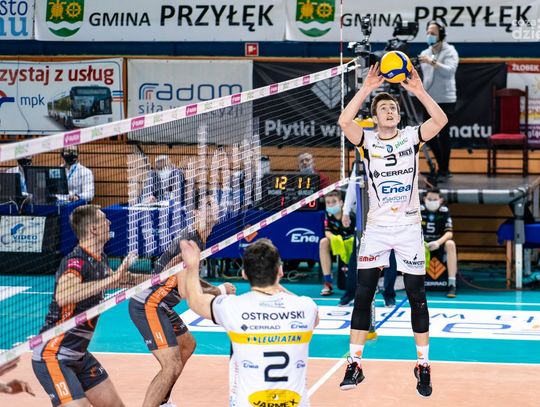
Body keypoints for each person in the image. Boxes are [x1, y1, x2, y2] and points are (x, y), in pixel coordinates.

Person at [337, 62, 448, 397]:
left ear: (399, 116)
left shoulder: (411, 137)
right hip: (377, 228)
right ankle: (354, 364)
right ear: (374, 116)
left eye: (394, 108)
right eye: (384, 108)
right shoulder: (367, 140)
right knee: (363, 294)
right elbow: (345, 122)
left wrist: (419, 91)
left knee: (417, 296)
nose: (390, 111)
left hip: (409, 227)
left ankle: (423, 365)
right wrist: (366, 89)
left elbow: (440, 121)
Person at [180, 238, 319, 407]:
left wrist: (192, 265)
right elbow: (315, 318)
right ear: (280, 271)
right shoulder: (306, 307)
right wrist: (275, 282)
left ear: (244, 274)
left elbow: (195, 300)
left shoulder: (233, 307)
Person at [128, 195, 236, 407]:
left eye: (214, 204)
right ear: (195, 214)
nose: (212, 208)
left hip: (162, 304)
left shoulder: (198, 239)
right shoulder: (189, 241)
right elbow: (186, 290)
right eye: (207, 205)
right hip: (148, 304)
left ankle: (163, 400)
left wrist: (215, 289)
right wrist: (219, 291)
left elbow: (189, 276)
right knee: (171, 365)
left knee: (187, 344)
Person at [31, 204, 141, 406]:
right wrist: (112, 279)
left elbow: (121, 280)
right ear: (94, 229)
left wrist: (167, 275)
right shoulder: (76, 262)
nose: (109, 222)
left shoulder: (99, 259)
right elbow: (63, 296)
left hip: (79, 355)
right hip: (53, 354)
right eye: (104, 219)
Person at [418, 19, 459, 182]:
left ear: (441, 35)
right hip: (429, 99)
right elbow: (426, 77)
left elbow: (449, 71)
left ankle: (444, 169)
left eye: (433, 33)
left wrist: (432, 62)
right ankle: (442, 166)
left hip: (446, 99)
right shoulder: (425, 52)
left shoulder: (450, 51)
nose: (430, 35)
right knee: (428, 135)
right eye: (428, 32)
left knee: (444, 135)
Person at [421, 188, 458, 298]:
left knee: (450, 244)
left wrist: (438, 243)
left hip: (438, 242)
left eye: (435, 199)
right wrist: (422, 243)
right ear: (424, 199)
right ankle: (416, 283)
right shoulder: (418, 210)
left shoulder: (444, 211)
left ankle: (452, 284)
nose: (432, 201)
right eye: (430, 199)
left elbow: (449, 233)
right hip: (422, 243)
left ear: (440, 200)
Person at [320, 190, 355, 296]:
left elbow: (358, 233)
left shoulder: (350, 215)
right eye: (328, 202)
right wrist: (335, 239)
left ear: (341, 203)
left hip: (351, 242)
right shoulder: (328, 214)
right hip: (337, 242)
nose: (331, 205)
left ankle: (365, 281)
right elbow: (327, 231)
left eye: (334, 201)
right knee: (323, 242)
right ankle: (328, 283)